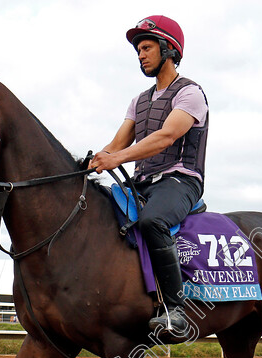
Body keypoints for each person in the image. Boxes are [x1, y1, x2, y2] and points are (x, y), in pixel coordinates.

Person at [89, 15, 209, 340]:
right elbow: (116, 144)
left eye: (146, 47)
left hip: (179, 181)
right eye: (138, 50)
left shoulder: (191, 93)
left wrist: (116, 158)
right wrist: (85, 167)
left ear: (168, 48)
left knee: (152, 221)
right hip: (142, 182)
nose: (140, 55)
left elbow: (166, 136)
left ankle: (175, 311)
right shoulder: (138, 101)